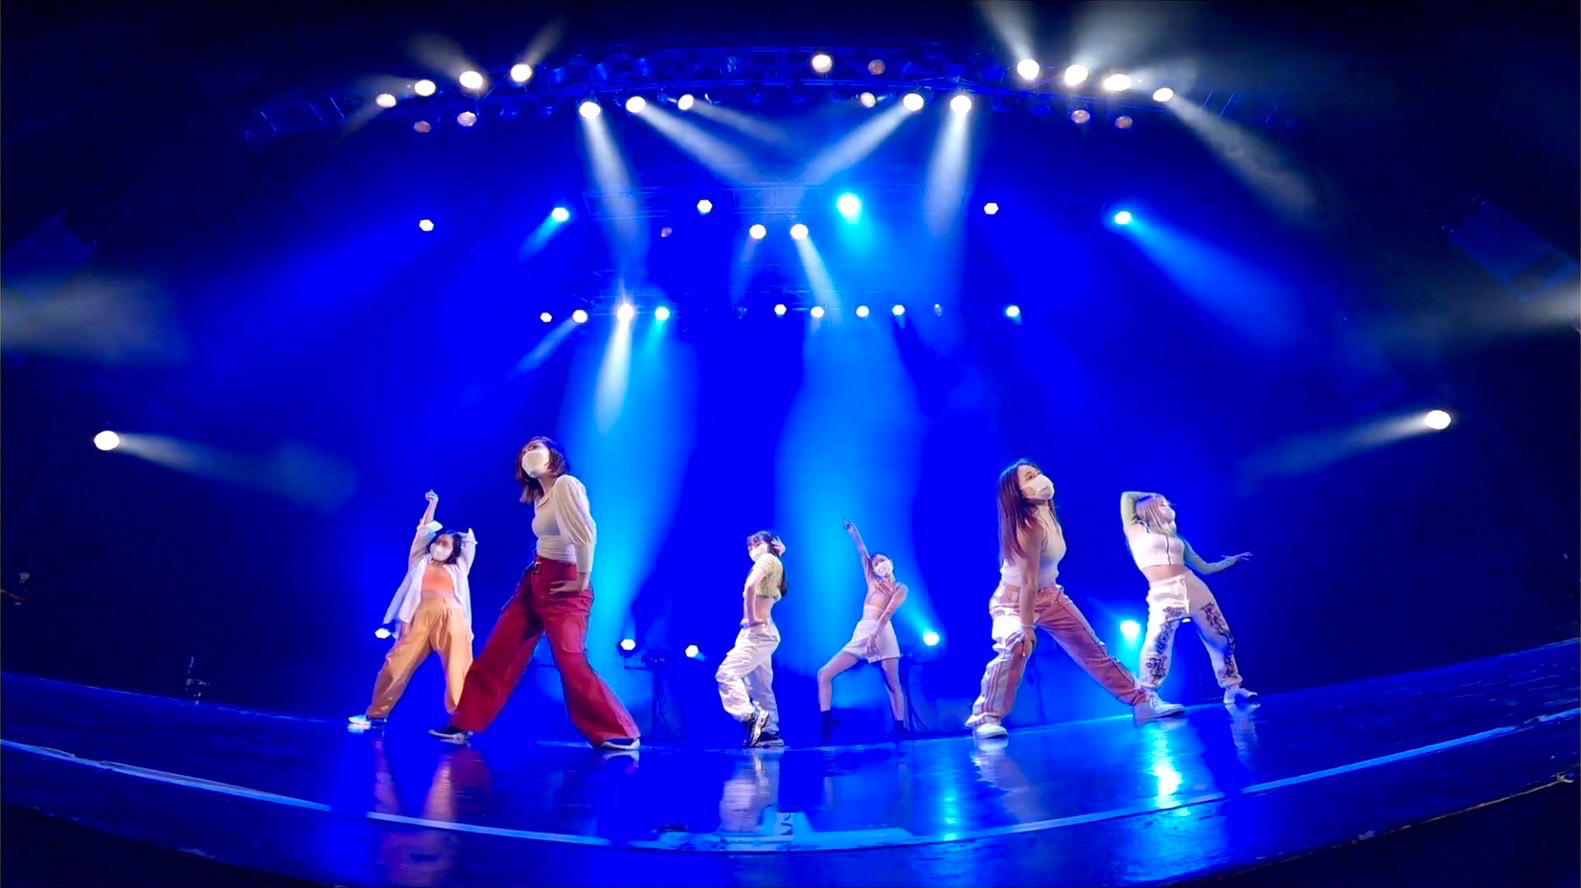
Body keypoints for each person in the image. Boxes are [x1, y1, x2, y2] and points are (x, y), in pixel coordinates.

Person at [429, 438, 640, 750]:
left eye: (536, 447)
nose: (530, 453)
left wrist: (581, 579)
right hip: (536, 579)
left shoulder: (566, 485)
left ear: (553, 454)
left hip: (564, 581)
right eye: (525, 450)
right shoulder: (540, 496)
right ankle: (463, 722)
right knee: (500, 649)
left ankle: (619, 731)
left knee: (569, 659)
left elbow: (586, 533)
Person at [966, 460, 1185, 739]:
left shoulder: (1048, 514)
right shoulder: (1027, 527)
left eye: (1037, 473)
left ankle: (1142, 702)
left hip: (1050, 595)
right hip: (1013, 601)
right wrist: (1027, 628)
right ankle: (986, 719)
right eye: (1030, 477)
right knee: (1015, 645)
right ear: (1017, 492)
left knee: (1094, 651)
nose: (1040, 478)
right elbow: (1028, 581)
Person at [349, 491, 475, 730]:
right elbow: (423, 531)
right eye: (437, 542)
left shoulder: (459, 567)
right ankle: (376, 714)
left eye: (445, 544)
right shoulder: (420, 560)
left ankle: (460, 724)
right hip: (418, 615)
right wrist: (433, 505)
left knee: (458, 670)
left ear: (453, 551)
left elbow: (469, 543)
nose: (438, 546)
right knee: (394, 666)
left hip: (452, 617)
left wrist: (455, 536)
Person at [1121, 491, 1258, 706]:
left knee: (1221, 635)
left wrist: (1231, 561)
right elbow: (1127, 496)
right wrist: (1152, 495)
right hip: (1164, 592)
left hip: (1194, 586)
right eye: (1162, 504)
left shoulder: (1177, 539)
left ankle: (1233, 688)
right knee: (1158, 642)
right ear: (1148, 509)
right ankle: (1148, 694)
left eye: (1166, 503)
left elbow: (1205, 567)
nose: (1167, 506)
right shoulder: (1136, 530)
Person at [815, 520, 908, 743]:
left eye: (883, 561)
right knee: (824, 673)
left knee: (892, 684)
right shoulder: (872, 582)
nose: (880, 566)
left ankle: (900, 727)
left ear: (891, 562)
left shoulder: (900, 588)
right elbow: (862, 551)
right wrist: (853, 532)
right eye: (876, 564)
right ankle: (826, 721)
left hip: (883, 633)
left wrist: (875, 635)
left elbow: (888, 612)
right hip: (863, 631)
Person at [716, 531, 787, 748]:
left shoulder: (768, 560)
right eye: (749, 546)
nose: (752, 548)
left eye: (757, 543)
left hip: (758, 632)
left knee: (726, 673)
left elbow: (749, 588)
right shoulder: (773, 562)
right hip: (762, 633)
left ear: (769, 544)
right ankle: (769, 733)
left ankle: (750, 717)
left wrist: (750, 618)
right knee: (760, 686)